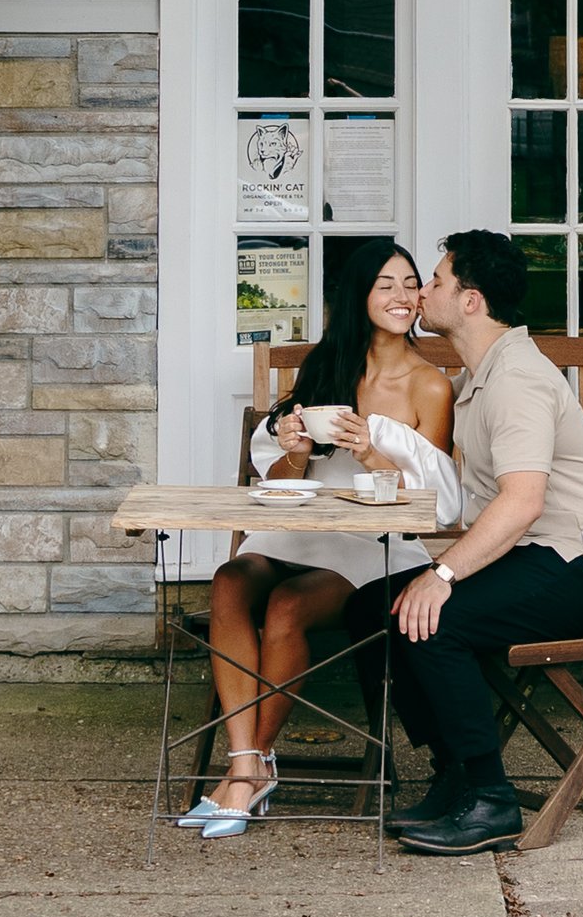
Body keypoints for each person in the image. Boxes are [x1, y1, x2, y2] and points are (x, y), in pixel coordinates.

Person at [187, 236, 456, 836]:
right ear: (358, 296)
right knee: (231, 579)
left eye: (411, 284)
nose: (403, 296)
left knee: (286, 605)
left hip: (372, 543)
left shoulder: (429, 385)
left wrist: (370, 450)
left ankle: (245, 775)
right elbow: (285, 479)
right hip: (302, 528)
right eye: (386, 285)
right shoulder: (326, 365)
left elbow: (430, 499)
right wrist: (294, 449)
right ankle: (247, 761)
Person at [387, 228, 583, 854]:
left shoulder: (516, 380)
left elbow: (522, 504)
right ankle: (455, 777)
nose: (423, 293)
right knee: (382, 603)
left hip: (580, 570)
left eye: (437, 282)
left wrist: (441, 576)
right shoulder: (485, 374)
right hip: (541, 558)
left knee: (434, 619)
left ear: (470, 300)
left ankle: (491, 800)